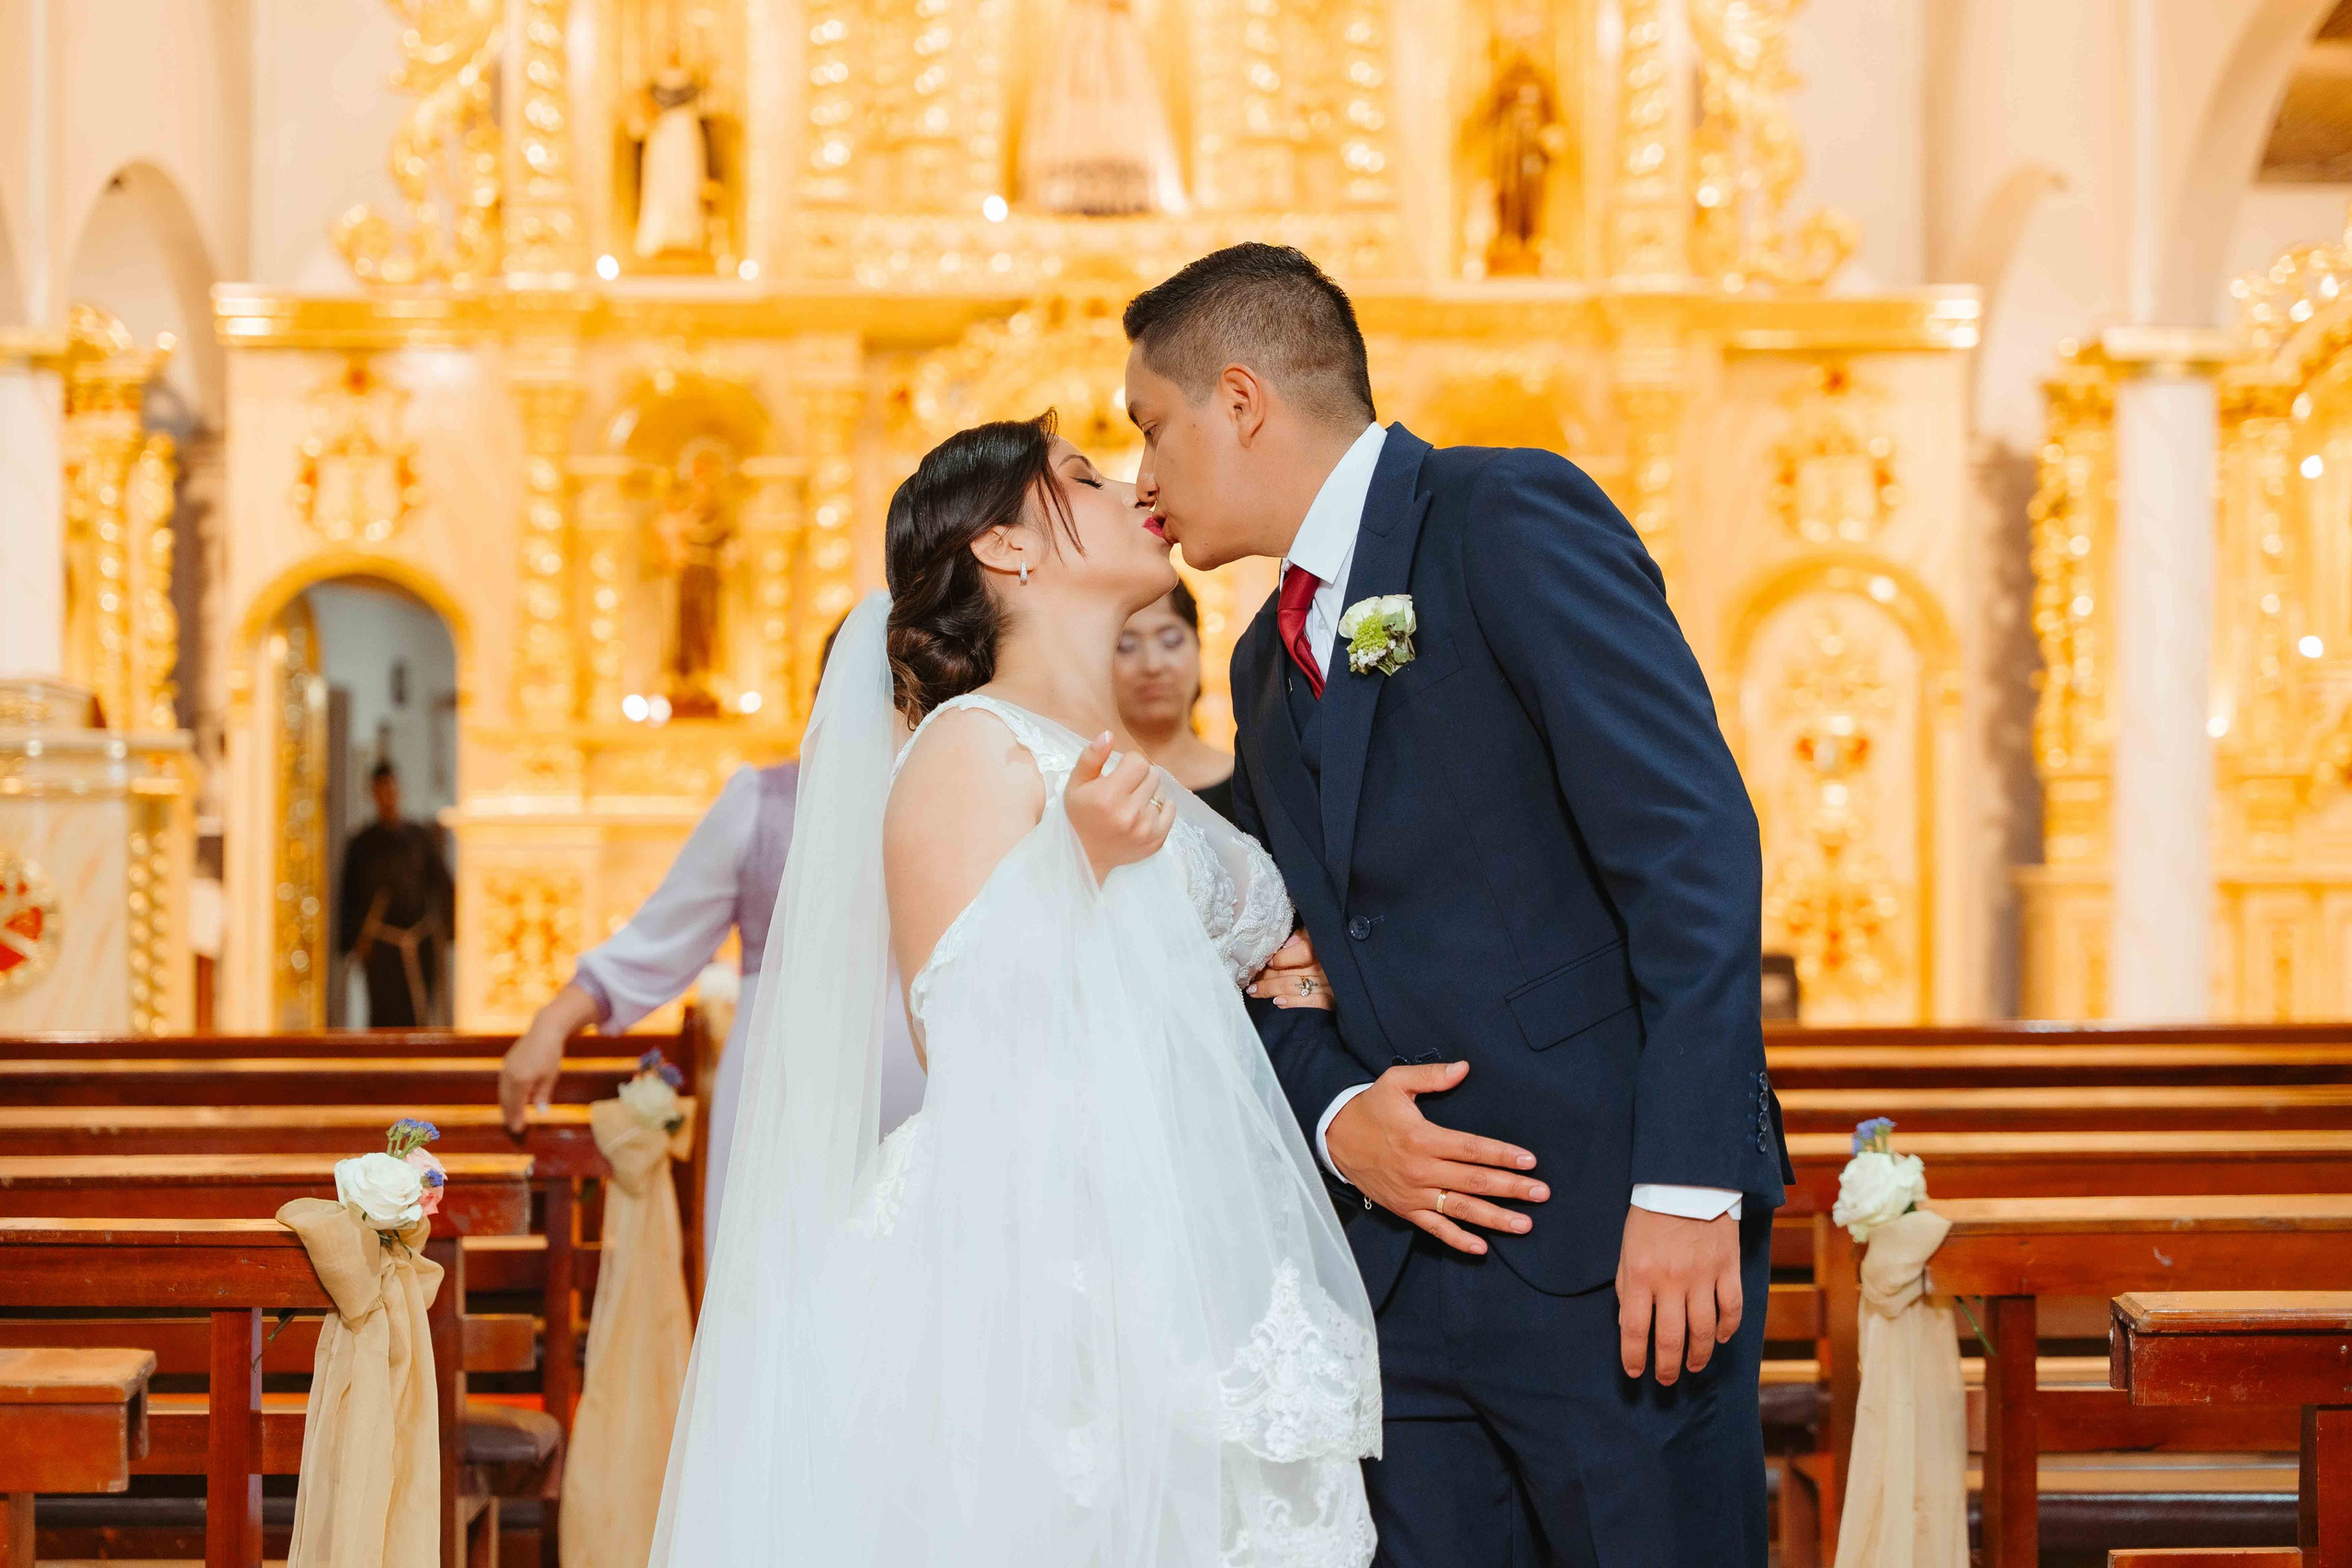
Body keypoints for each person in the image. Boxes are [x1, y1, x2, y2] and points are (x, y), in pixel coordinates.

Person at [1124, 243, 1792, 1567]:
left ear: (1241, 398)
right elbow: (1271, 946)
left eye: (1152, 426)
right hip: (1400, 1271)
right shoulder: (1265, 658)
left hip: (1612, 1242)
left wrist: (1688, 1183)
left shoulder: (1503, 517)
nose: (1143, 478)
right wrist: (1334, 1114)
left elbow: (1692, 844)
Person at [650, 416, 1380, 1565]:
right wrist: (1073, 866)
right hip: (1044, 1263)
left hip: (1195, 1225)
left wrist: (1290, 962)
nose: (1130, 484)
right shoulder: (969, 748)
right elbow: (967, 1045)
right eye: (1083, 478)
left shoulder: (1120, 757)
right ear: (1006, 550)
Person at [336, 761, 454, 1028]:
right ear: (373, 794)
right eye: (381, 790)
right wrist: (353, 940)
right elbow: (349, 894)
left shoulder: (420, 838)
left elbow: (442, 884)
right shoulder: (361, 844)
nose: (387, 796)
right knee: (384, 1014)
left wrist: (445, 930)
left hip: (419, 942)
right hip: (381, 947)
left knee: (420, 1012)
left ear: (398, 791)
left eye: (391, 789)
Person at [1113, 579, 1238, 823]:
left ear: (1199, 646)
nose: (1153, 665)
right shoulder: (1086, 787)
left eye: (1171, 640)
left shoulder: (1254, 784)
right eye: (1126, 646)